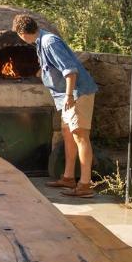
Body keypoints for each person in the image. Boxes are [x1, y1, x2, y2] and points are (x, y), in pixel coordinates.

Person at [12, 14, 98, 197]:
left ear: (21, 33)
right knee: (68, 134)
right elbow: (50, 68)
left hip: (77, 93)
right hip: (64, 96)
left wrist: (69, 96)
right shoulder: (40, 42)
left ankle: (85, 185)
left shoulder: (49, 42)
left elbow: (70, 71)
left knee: (80, 136)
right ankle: (68, 178)